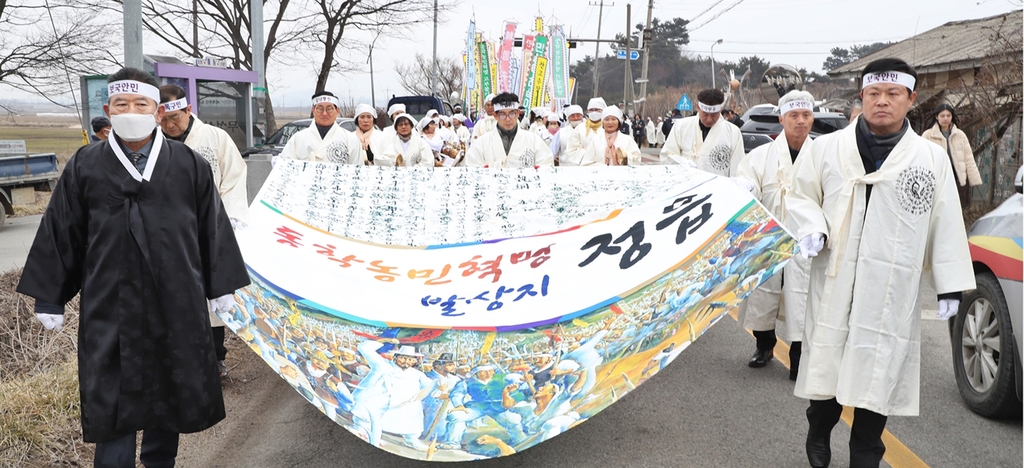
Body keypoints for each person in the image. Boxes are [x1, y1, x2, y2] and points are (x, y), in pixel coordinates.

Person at [17, 67, 249, 468]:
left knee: (171, 388)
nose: (131, 111)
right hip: (109, 303)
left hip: (174, 299)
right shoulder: (85, 166)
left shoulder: (188, 164)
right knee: (111, 396)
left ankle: (161, 462)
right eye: (121, 104)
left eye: (141, 103)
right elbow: (62, 229)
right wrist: (50, 295)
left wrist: (221, 286)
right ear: (109, 109)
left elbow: (211, 227)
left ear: (157, 111)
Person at [785, 58, 975, 468]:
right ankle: (819, 429)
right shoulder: (827, 148)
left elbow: (945, 222)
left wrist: (950, 284)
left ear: (911, 98)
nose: (882, 102)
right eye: (873, 94)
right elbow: (799, 196)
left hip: (891, 285)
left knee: (879, 369)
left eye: (892, 94)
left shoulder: (930, 159)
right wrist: (812, 226)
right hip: (836, 277)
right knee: (829, 364)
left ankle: (866, 451)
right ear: (862, 96)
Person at [158, 85, 250, 378]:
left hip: (210, 228)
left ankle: (216, 358)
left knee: (213, 295)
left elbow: (234, 177)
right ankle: (182, 359)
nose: (170, 125)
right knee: (176, 296)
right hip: (171, 234)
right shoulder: (153, 144)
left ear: (188, 110)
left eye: (176, 117)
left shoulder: (215, 138)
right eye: (164, 119)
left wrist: (231, 216)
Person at [735, 90, 815, 380]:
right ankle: (764, 345)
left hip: (805, 239)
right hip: (769, 235)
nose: (801, 121)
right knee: (764, 293)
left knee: (802, 298)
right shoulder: (762, 155)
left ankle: (798, 355)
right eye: (794, 115)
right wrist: (746, 187)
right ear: (782, 118)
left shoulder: (821, 155)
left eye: (806, 115)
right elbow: (749, 179)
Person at [660, 89, 745, 177]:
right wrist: (682, 164)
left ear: (720, 110)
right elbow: (666, 156)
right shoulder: (681, 126)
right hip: (687, 185)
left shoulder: (733, 132)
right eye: (705, 114)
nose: (709, 119)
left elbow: (737, 167)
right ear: (698, 107)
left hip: (718, 188)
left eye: (713, 115)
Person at [464, 93, 554, 168]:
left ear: (518, 113)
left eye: (512, 114)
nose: (508, 119)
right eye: (502, 114)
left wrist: (540, 172)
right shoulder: (481, 144)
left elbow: (546, 164)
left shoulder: (534, 141)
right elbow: (471, 166)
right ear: (495, 115)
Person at [921, 103, 982, 207]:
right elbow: (922, 157)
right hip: (935, 176)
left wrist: (974, 179)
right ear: (937, 117)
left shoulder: (960, 135)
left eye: (948, 116)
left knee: (951, 205)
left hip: (954, 175)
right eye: (942, 116)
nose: (945, 119)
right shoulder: (928, 135)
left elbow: (968, 158)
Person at [277, 91, 362, 164]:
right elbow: (286, 168)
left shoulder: (351, 139)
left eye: (329, 109)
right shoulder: (298, 139)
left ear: (337, 111)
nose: (324, 113)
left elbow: (357, 171)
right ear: (313, 110)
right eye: (320, 109)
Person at [561, 97, 608, 166]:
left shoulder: (609, 128)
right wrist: (589, 157)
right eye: (591, 110)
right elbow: (573, 148)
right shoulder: (580, 128)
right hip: (584, 167)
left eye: (597, 110)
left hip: (606, 167)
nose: (594, 112)